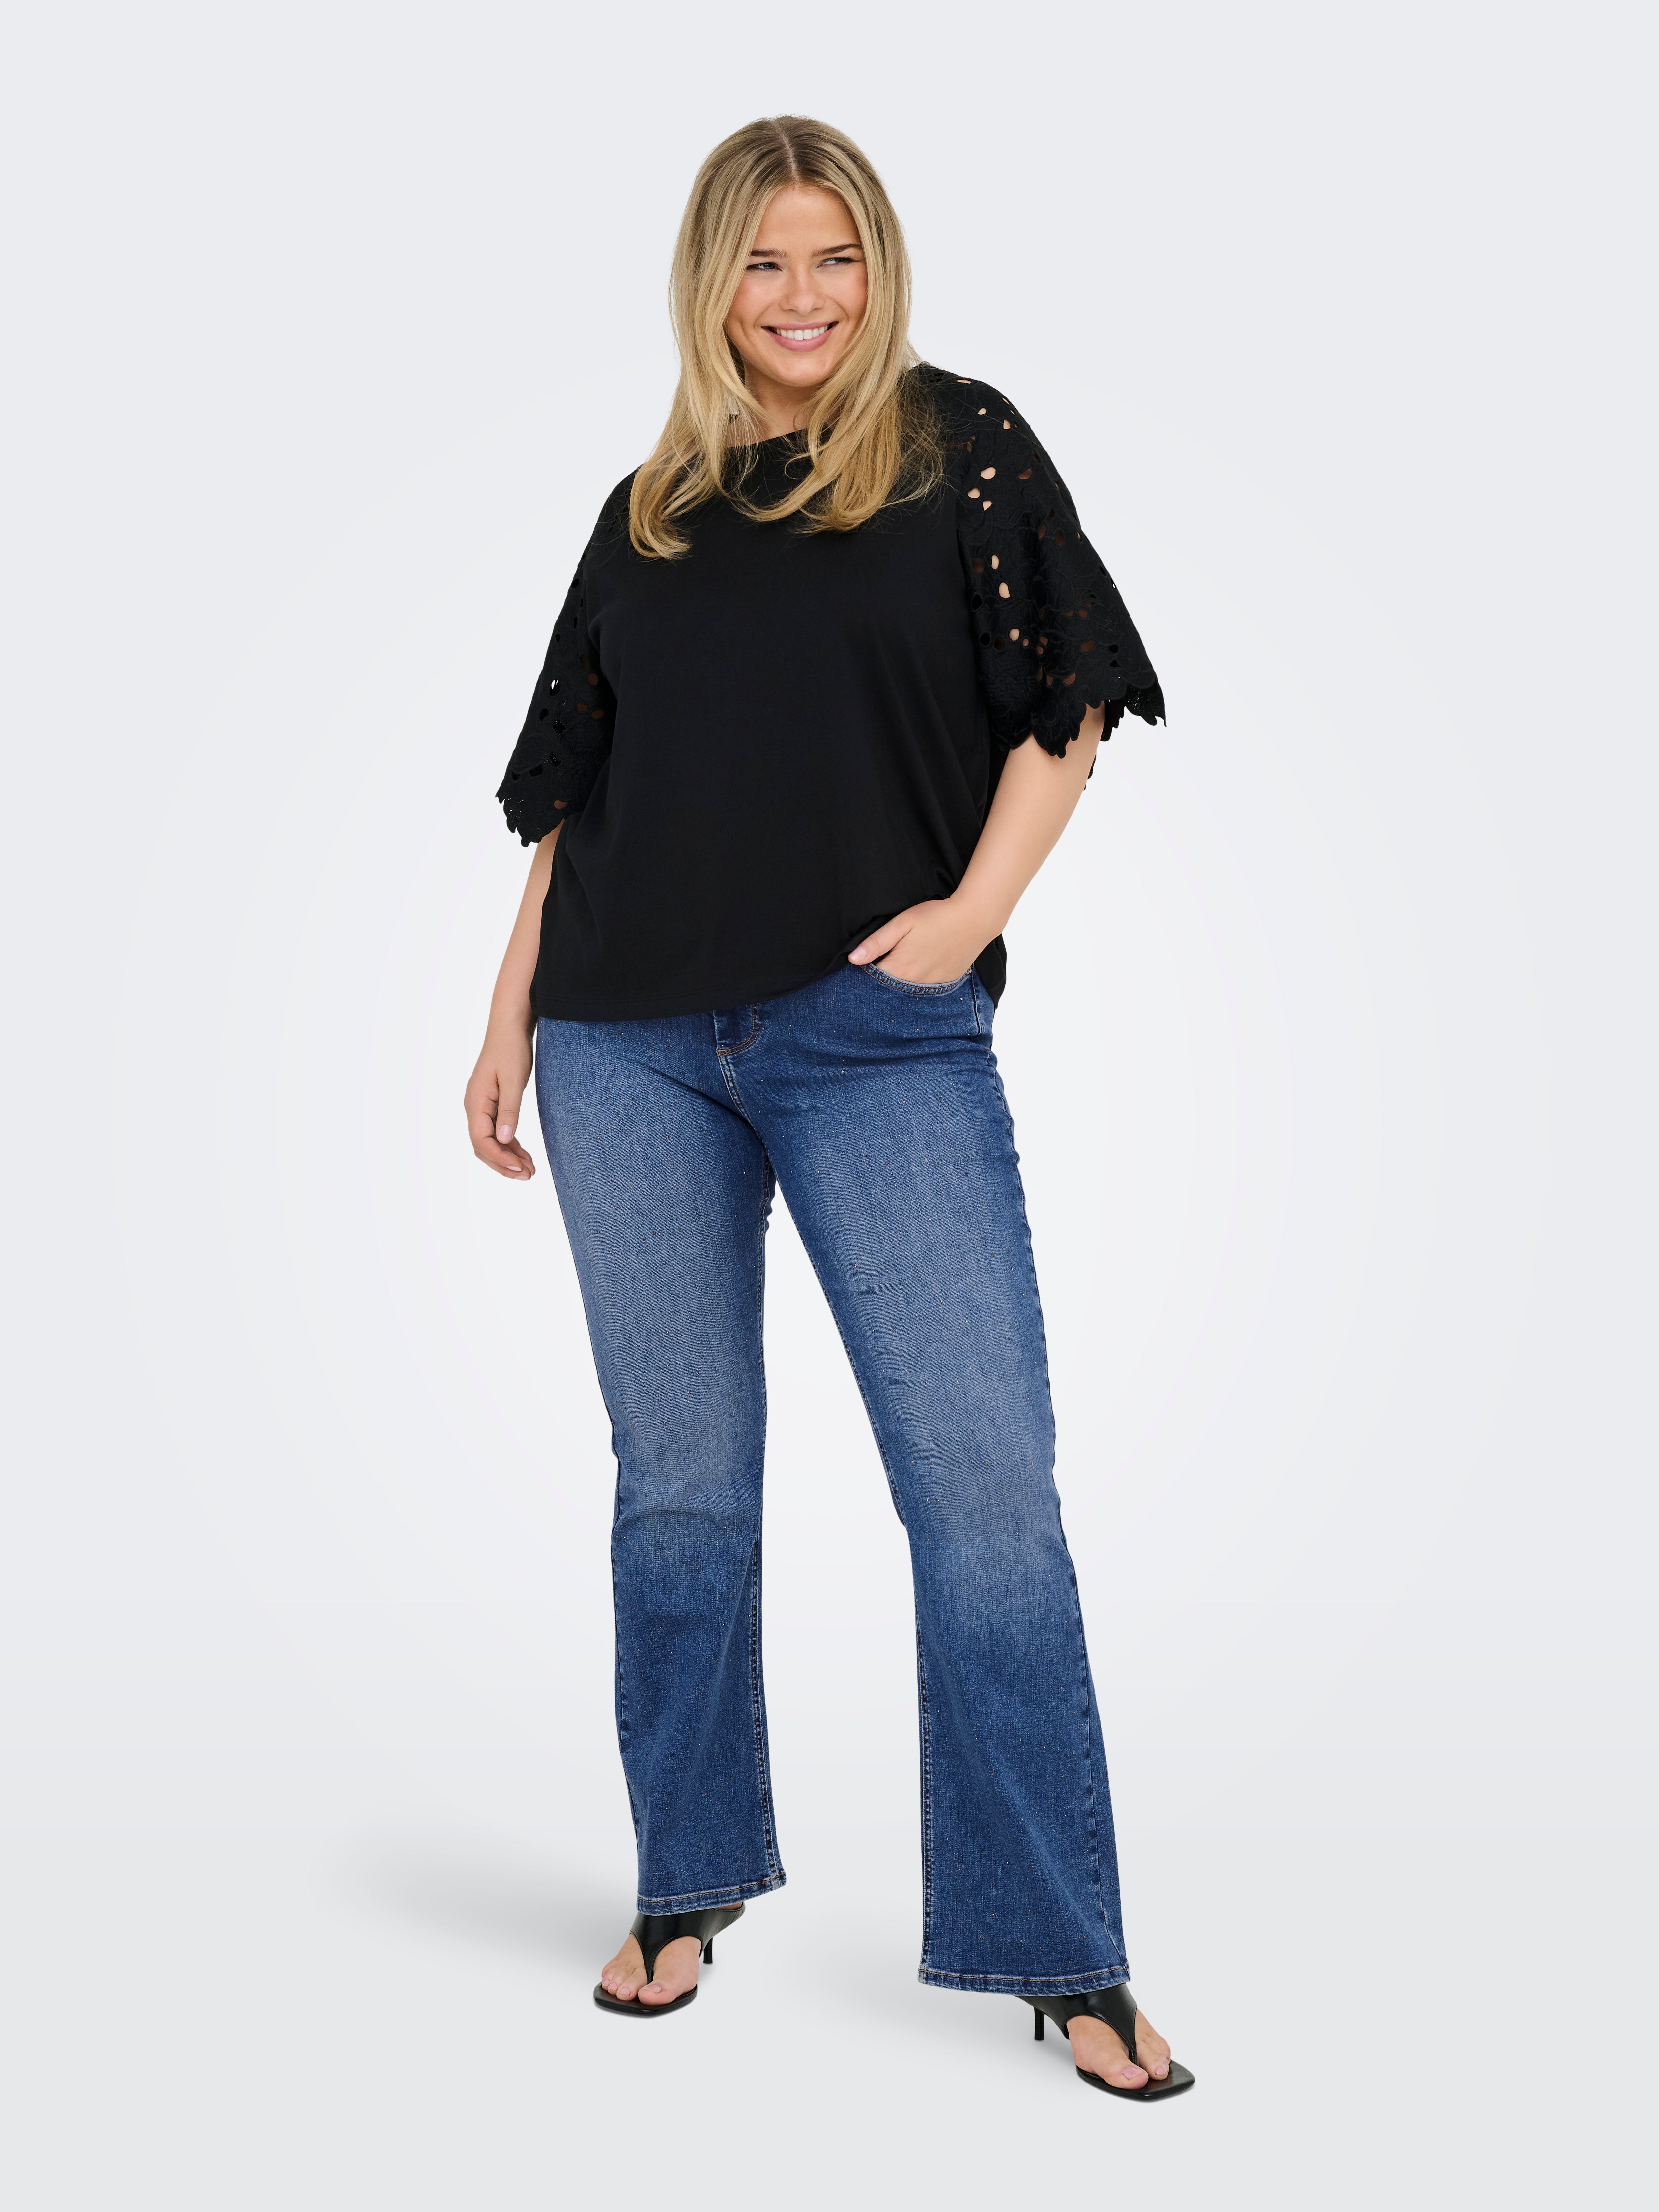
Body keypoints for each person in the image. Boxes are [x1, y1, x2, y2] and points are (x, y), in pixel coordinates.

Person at [464, 114, 1192, 2101]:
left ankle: (1064, 1948)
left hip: (875, 1037)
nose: (802, 299)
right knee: (681, 1483)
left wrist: (971, 918)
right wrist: (509, 1008)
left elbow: (1074, 700)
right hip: (623, 1043)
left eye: (837, 258)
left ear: (880, 270)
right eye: (764, 262)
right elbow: (572, 790)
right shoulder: (652, 508)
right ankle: (685, 1878)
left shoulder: (961, 447)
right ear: (711, 282)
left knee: (984, 1490)